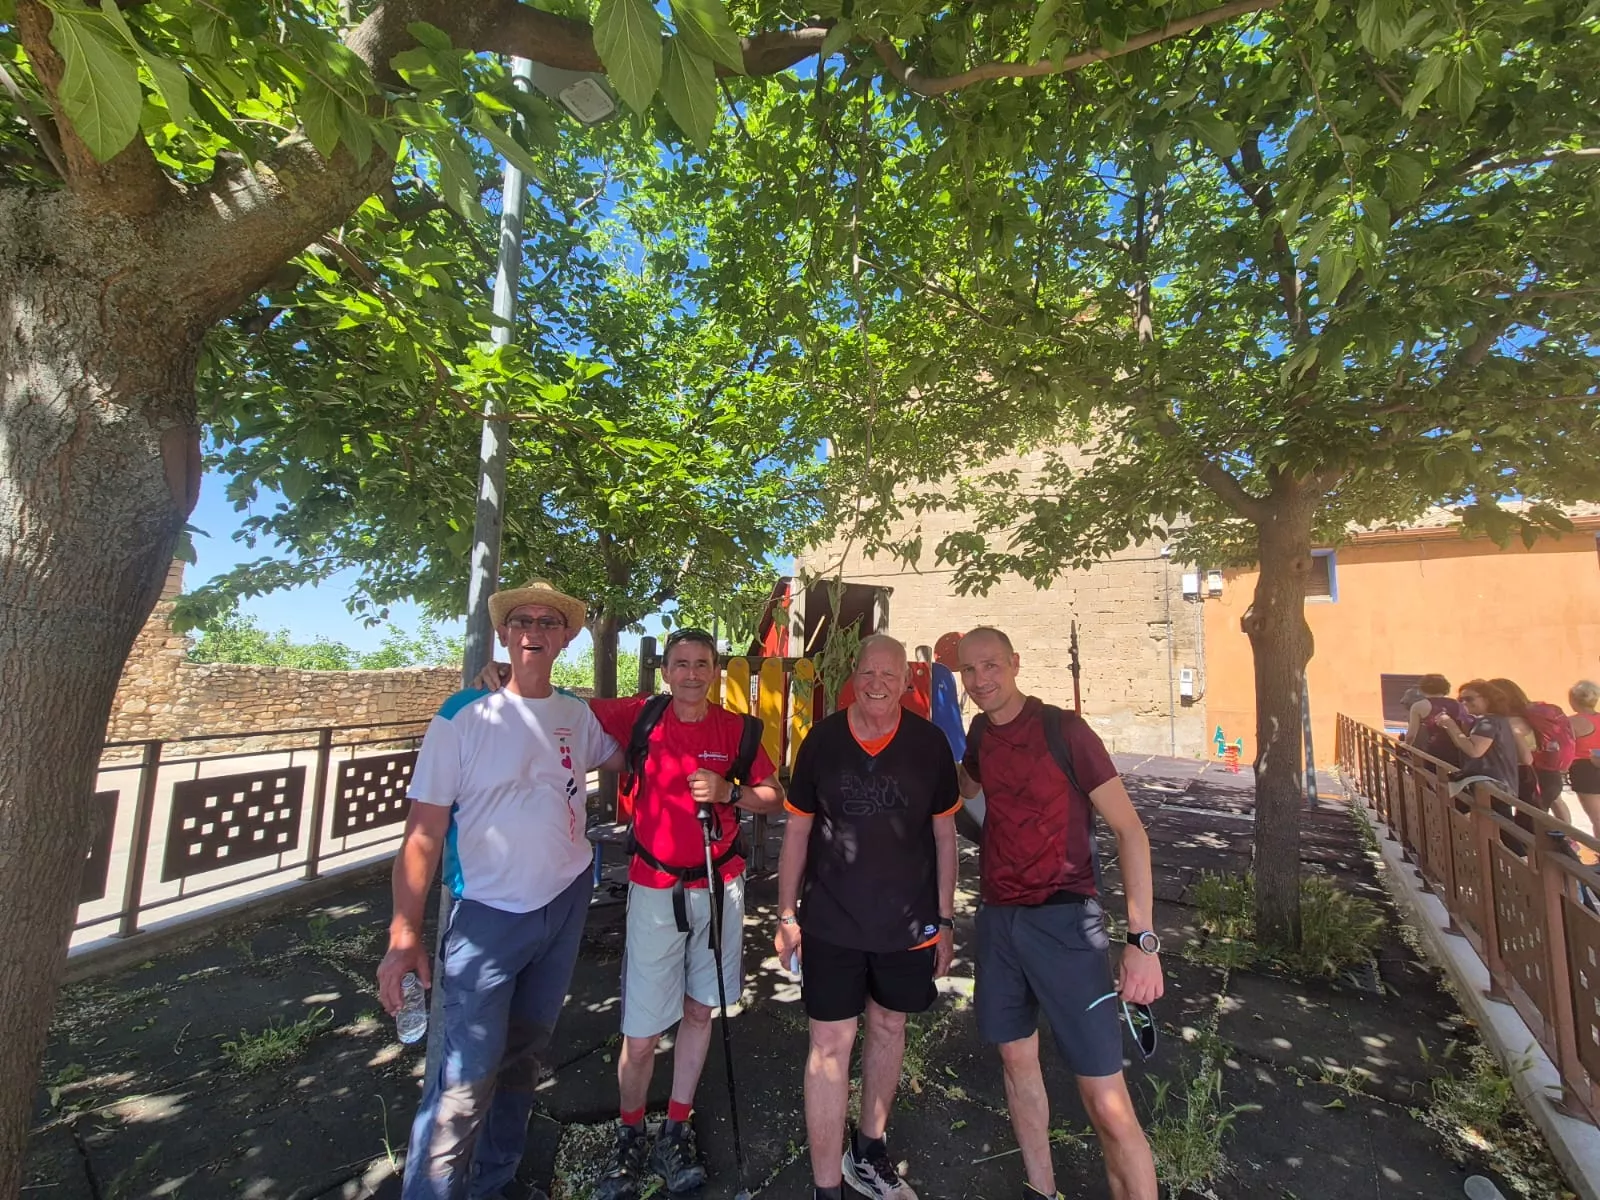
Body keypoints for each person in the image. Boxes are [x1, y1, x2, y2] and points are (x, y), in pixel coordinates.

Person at [377, 580, 624, 1200]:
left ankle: (496, 1182)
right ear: (506, 635)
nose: (534, 631)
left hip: (565, 903)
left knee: (524, 1057)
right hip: (487, 916)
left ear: (565, 637)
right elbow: (423, 835)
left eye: (548, 622)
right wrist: (404, 934)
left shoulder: (575, 712)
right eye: (521, 621)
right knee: (463, 1081)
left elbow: (629, 748)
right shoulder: (463, 716)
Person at [955, 626, 1163, 1200]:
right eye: (969, 671)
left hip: (1067, 922)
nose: (980, 680)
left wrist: (1141, 940)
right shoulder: (978, 732)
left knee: (1106, 1098)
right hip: (999, 922)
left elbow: (1131, 831)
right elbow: (969, 781)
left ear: (1015, 663)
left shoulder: (1064, 730)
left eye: (991, 665)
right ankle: (1041, 1190)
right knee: (1017, 1065)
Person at [587, 629, 785, 1199]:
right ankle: (630, 1133)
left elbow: (775, 795)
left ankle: (677, 1124)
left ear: (716, 671)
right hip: (654, 888)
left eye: (702, 664)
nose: (692, 674)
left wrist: (730, 792)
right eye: (681, 664)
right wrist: (501, 681)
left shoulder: (739, 730)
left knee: (701, 1010)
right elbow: (565, 705)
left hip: (720, 886)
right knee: (643, 1031)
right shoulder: (642, 717)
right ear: (666, 672)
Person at [775, 635, 960, 1200]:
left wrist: (946, 921)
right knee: (830, 1046)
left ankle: (869, 1151)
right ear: (853, 675)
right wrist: (786, 913)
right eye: (867, 672)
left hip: (906, 924)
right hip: (830, 922)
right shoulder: (822, 741)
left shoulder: (929, 745)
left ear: (908, 682)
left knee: (889, 1027)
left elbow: (946, 835)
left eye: (890, 674)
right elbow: (799, 830)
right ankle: (826, 1187)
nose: (877, 682)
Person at [1489, 677, 1571, 821]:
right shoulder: (1531, 716)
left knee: (1529, 825)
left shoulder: (1509, 722)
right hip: (1549, 775)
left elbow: (1524, 758)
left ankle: (1561, 842)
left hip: (1532, 778)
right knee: (1544, 814)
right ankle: (1567, 840)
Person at [1436, 679, 1522, 797]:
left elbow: (1474, 751)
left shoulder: (1488, 721)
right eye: (1461, 700)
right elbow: (1464, 744)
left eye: (1469, 699)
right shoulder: (1498, 720)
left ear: (1487, 699)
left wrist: (1450, 724)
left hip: (1493, 787)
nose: (1464, 703)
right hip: (1495, 786)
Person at [1403, 675, 1468, 767]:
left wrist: (1406, 747)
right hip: (1457, 749)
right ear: (1446, 688)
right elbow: (1465, 726)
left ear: (1423, 688)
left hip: (1433, 749)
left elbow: (1411, 734)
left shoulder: (1418, 706)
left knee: (1432, 776)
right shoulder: (1458, 704)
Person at [1568, 681, 1600, 833]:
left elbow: (1564, 747)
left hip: (1585, 769)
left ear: (1573, 700)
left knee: (1597, 818)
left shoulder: (1572, 722)